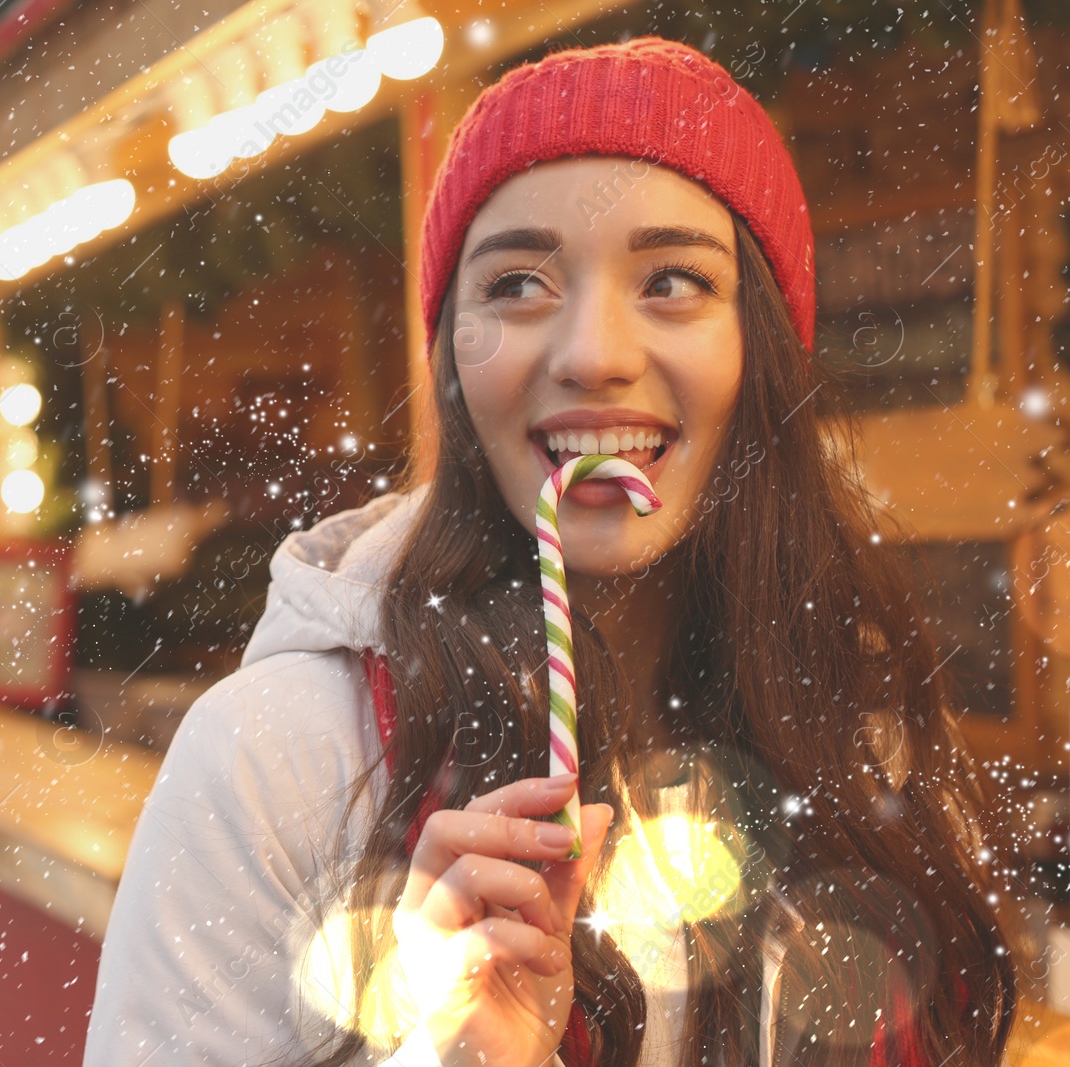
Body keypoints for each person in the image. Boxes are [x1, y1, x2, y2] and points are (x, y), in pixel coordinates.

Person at [83, 36, 1018, 1067]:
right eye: (518, 284)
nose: (591, 354)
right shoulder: (276, 759)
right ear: (450, 359)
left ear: (761, 347)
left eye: (671, 279)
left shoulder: (858, 728)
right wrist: (451, 1055)